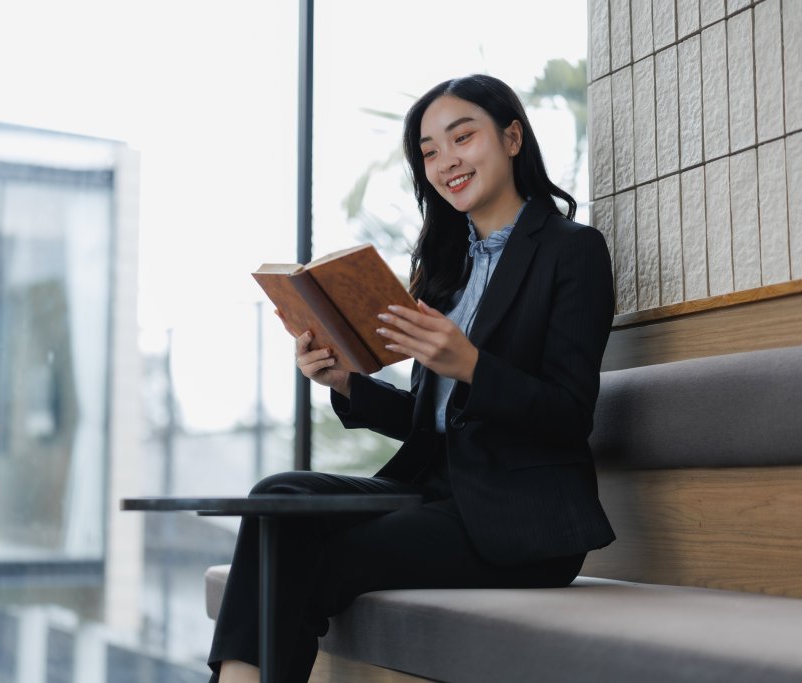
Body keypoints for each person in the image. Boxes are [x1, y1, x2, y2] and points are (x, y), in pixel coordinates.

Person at [209, 74, 616, 683]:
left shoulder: (573, 250)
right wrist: (347, 383)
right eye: (428, 151)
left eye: (462, 137)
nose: (445, 161)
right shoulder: (444, 270)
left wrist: (473, 366)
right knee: (278, 498)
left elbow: (568, 414)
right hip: (433, 492)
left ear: (511, 138)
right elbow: (432, 424)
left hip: (519, 521)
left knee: (313, 557)